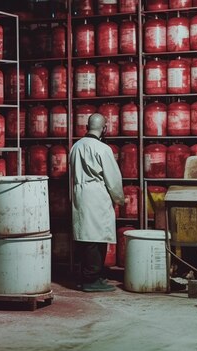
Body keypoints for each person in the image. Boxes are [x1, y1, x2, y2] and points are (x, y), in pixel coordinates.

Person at [70, 113, 124, 292]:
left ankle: (86, 276)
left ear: (87, 126)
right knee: (96, 238)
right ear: (104, 128)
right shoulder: (103, 149)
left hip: (80, 194)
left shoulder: (75, 147)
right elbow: (113, 178)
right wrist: (119, 198)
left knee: (85, 237)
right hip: (97, 195)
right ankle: (91, 279)